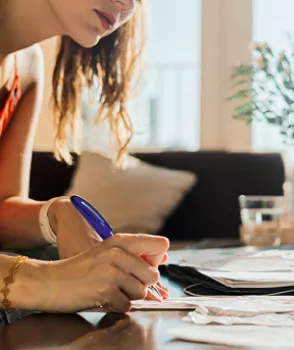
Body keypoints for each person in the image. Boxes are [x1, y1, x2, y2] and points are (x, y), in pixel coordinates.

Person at [0, 0, 169, 317]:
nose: (126, 4)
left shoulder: (28, 66)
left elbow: (2, 205)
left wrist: (55, 214)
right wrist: (48, 281)